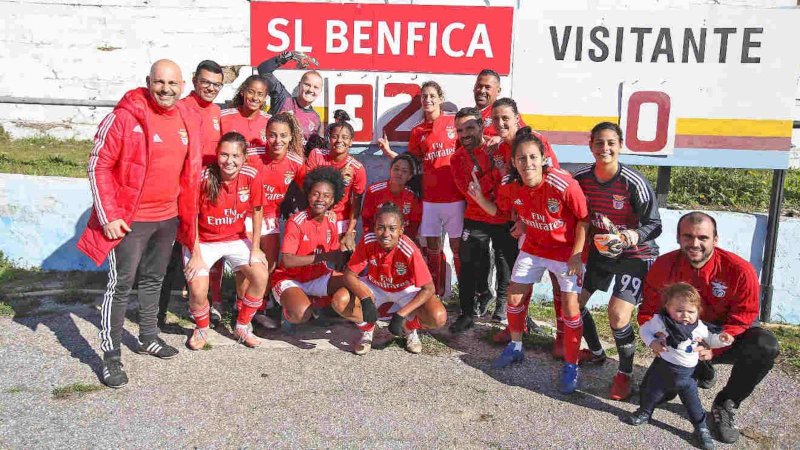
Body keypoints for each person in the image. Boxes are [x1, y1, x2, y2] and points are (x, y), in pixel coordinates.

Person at [77, 59, 203, 388]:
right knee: (120, 287)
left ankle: (148, 337)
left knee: (154, 281)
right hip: (130, 221)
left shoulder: (186, 117)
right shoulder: (125, 116)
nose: (166, 89)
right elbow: (97, 165)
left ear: (182, 86)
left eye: (172, 84)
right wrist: (109, 216)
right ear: (148, 81)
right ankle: (110, 355)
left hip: (168, 218)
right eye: (160, 82)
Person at [639, 211, 779, 444]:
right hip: (682, 337)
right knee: (649, 396)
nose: (695, 243)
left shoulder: (740, 270)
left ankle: (726, 402)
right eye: (688, 236)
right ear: (678, 238)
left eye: (703, 237)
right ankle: (700, 369)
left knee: (765, 346)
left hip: (724, 334)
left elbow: (743, 317)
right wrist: (656, 338)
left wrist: (714, 348)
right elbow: (649, 310)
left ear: (715, 239)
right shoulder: (664, 265)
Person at [467, 127, 588, 394]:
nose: (528, 163)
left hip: (566, 253)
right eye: (521, 158)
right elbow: (502, 213)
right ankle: (516, 346)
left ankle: (571, 365)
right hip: (534, 247)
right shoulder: (510, 185)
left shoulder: (564, 183)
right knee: (513, 296)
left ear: (543, 158)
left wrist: (577, 255)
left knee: (570, 309)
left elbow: (583, 219)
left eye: (533, 157)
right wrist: (480, 199)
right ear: (513, 161)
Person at [572, 121, 662, 401]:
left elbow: (655, 224)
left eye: (611, 142)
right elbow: (575, 218)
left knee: (618, 314)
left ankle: (624, 374)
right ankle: (598, 353)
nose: (605, 148)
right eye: (599, 143)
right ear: (591, 146)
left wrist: (634, 234)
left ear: (620, 146)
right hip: (602, 253)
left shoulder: (633, 182)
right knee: (574, 305)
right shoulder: (581, 180)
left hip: (635, 256)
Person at [182, 132, 269, 349]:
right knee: (198, 290)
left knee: (260, 275)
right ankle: (202, 327)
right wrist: (195, 254)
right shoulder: (203, 177)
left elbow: (257, 210)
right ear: (217, 155)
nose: (229, 161)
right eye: (224, 154)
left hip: (235, 238)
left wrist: (256, 248)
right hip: (202, 241)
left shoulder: (251, 175)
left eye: (235, 156)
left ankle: (242, 325)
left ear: (244, 157)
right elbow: (189, 217)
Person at [377, 81, 462, 297]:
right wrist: (389, 153)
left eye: (432, 95)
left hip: (455, 197)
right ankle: (432, 293)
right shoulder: (417, 131)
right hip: (430, 199)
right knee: (432, 246)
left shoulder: (453, 122)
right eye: (424, 96)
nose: (428, 100)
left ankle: (466, 295)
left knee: (458, 248)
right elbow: (411, 164)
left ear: (440, 98)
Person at [625, 282, 733, 450]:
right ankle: (645, 412)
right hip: (663, 369)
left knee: (693, 406)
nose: (685, 315)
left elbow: (710, 340)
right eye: (679, 310)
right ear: (668, 307)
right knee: (650, 393)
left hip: (687, 377)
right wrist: (652, 342)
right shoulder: (661, 321)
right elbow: (644, 330)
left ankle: (701, 428)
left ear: (698, 311)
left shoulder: (699, 327)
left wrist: (721, 339)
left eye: (691, 311)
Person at [158, 59, 225, 329]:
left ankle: (204, 307)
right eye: (206, 82)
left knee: (206, 250)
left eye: (216, 85)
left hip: (208, 194)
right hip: (181, 193)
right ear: (195, 80)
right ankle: (156, 313)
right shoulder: (180, 108)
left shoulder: (218, 111)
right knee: (170, 256)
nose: (210, 88)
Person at [488, 98, 561, 342]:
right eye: (495, 118)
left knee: (559, 282)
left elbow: (553, 182)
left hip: (551, 222)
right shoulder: (500, 149)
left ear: (517, 117)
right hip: (526, 223)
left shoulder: (535, 141)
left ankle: (563, 338)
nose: (500, 123)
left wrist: (529, 220)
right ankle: (517, 329)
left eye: (505, 118)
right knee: (521, 280)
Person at [338, 203, 447, 355]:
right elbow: (349, 275)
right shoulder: (368, 240)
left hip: (404, 289)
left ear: (401, 230)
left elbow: (429, 288)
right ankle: (368, 330)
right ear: (374, 228)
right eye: (381, 227)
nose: (385, 233)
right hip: (376, 285)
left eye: (392, 228)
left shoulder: (409, 249)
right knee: (340, 300)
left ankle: (409, 328)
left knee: (438, 317)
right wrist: (365, 299)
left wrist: (401, 314)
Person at [448, 107, 518, 333]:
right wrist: (495, 175)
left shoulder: (497, 146)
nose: (465, 134)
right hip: (475, 215)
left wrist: (489, 181)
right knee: (468, 263)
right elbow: (469, 192)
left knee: (505, 261)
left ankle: (502, 308)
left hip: (503, 215)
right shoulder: (457, 159)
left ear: (481, 126)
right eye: (460, 130)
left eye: (469, 127)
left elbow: (510, 178)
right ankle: (466, 313)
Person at [270, 167, 351, 326]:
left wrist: (346, 254)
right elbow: (287, 260)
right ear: (308, 195)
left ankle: (320, 304)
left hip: (318, 276)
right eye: (316, 194)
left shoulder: (331, 220)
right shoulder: (296, 221)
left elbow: (334, 254)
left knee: (354, 283)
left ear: (333, 200)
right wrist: (323, 257)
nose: (320, 199)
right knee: (301, 314)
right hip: (291, 279)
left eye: (326, 196)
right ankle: (288, 307)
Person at [305, 111, 366, 256]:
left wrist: (350, 232)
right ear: (329, 139)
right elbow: (309, 187)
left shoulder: (357, 168)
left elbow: (356, 203)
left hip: (340, 221)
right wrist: (338, 177)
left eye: (345, 137)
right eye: (335, 136)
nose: (339, 141)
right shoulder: (316, 155)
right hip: (315, 216)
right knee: (315, 259)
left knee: (343, 259)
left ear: (351, 142)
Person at [256, 51, 323, 141]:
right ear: (300, 85)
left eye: (316, 87)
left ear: (320, 91)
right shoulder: (283, 98)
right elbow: (263, 70)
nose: (311, 90)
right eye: (307, 85)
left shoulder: (315, 119)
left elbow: (313, 149)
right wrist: (286, 57)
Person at [361, 153, 422, 242]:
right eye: (396, 169)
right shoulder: (374, 191)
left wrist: (400, 242)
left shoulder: (413, 196)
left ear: (409, 176)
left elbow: (414, 225)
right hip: (377, 238)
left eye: (404, 171)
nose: (399, 173)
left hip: (402, 241)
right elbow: (367, 221)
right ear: (390, 170)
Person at [220, 75, 271, 161]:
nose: (255, 98)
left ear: (265, 97)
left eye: (260, 94)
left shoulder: (270, 122)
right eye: (251, 92)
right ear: (242, 92)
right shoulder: (223, 117)